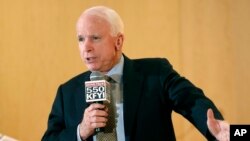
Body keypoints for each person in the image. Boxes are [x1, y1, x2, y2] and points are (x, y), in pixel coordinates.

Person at [42, 6, 229, 141]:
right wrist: (80, 131)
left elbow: (192, 101)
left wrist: (218, 130)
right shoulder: (67, 92)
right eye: (81, 39)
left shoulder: (155, 74)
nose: (86, 47)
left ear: (118, 41)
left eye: (95, 38)